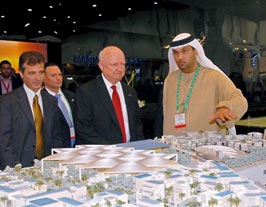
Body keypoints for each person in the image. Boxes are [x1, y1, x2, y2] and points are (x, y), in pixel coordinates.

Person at [163, 33, 248, 135]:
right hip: (174, 146)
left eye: (184, 51)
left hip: (207, 147)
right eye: (175, 53)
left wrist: (226, 107)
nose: (180, 57)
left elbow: (240, 100)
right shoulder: (170, 80)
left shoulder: (215, 77)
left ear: (195, 51)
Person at [0, 51, 62, 169]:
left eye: (41, 72)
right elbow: (4, 140)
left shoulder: (51, 101)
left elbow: (56, 137)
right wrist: (15, 168)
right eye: (32, 73)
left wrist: (54, 163)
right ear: (21, 74)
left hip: (46, 167)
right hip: (18, 167)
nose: (37, 78)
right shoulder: (7, 101)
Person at [75, 46, 144, 144]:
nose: (119, 69)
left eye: (122, 64)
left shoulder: (130, 92)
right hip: (101, 154)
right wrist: (110, 150)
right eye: (114, 64)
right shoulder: (86, 92)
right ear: (101, 66)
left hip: (130, 152)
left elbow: (137, 124)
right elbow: (83, 128)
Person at [44, 62, 76, 148]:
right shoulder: (42, 100)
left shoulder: (71, 96)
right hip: (56, 147)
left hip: (76, 144)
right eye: (53, 75)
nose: (58, 78)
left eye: (60, 74)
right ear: (44, 78)